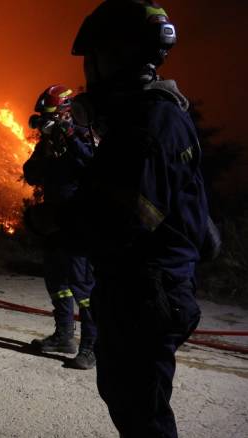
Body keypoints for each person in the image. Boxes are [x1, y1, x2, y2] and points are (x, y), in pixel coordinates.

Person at [56, 1, 220, 435]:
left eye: (93, 59)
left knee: (144, 416)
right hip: (155, 290)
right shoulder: (161, 114)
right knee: (134, 405)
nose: (88, 72)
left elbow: (128, 219)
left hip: (146, 295)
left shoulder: (147, 125)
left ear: (117, 56)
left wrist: (62, 226)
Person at [23, 85, 99, 370]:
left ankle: (91, 347)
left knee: (83, 287)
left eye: (49, 115)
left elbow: (92, 164)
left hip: (80, 222)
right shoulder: (47, 143)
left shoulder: (84, 136)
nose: (45, 121)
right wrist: (47, 148)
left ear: (66, 113)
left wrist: (69, 137)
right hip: (55, 222)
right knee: (57, 282)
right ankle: (64, 336)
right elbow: (31, 174)